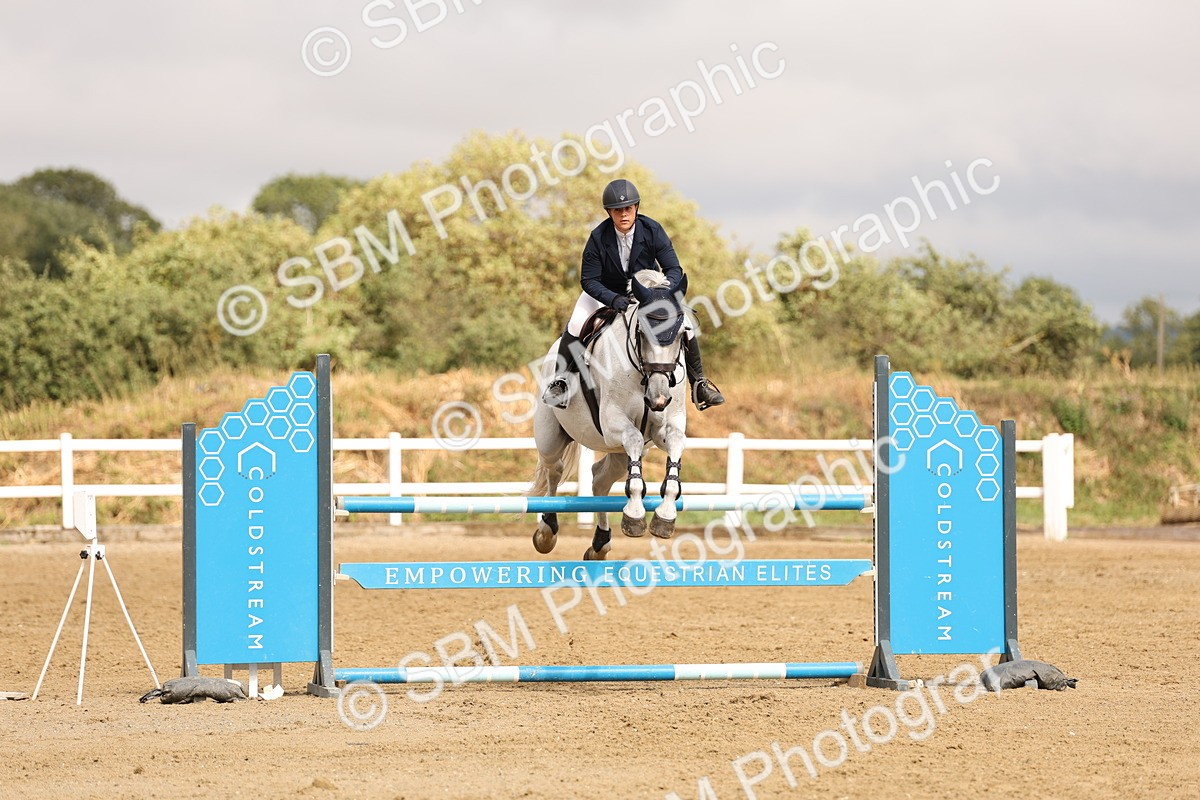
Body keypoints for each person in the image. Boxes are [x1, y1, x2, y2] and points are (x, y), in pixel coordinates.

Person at [541, 179, 725, 411]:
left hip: (647, 293)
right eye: (617, 210)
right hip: (605, 291)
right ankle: (560, 382)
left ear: (636, 207)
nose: (623, 214)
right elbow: (589, 280)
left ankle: (699, 384)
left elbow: (673, 268)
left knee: (685, 323)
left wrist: (662, 293)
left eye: (628, 208)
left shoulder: (652, 230)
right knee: (577, 322)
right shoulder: (598, 237)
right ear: (609, 212)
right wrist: (612, 299)